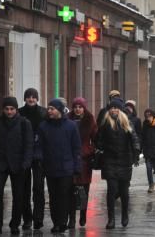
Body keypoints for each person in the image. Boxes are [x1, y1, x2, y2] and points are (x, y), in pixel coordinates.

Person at [0, 96, 34, 235]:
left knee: (18, 196)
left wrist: (26, 163)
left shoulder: (24, 123)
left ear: (16, 109)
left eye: (12, 109)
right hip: (0, 163)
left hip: (18, 165)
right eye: (7, 109)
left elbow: (29, 146)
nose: (9, 112)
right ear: (3, 109)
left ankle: (14, 224)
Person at [37, 99, 82, 234]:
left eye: (52, 108)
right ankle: (56, 222)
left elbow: (76, 148)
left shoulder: (71, 126)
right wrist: (39, 158)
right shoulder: (43, 126)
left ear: (60, 110)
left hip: (66, 167)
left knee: (64, 195)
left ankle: (63, 222)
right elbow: (39, 145)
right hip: (50, 167)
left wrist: (77, 166)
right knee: (53, 196)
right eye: (48, 108)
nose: (49, 111)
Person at [96, 99, 140, 229]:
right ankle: (111, 219)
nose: (113, 110)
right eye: (111, 108)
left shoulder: (127, 122)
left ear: (120, 110)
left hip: (125, 161)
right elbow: (99, 139)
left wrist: (136, 152)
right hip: (109, 161)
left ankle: (125, 215)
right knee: (111, 190)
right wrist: (100, 148)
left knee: (124, 191)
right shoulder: (105, 123)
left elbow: (134, 138)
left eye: (116, 108)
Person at [18, 88, 47, 230]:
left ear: (37, 98)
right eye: (28, 97)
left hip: (39, 156)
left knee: (38, 188)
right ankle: (27, 219)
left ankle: (38, 219)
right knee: (24, 189)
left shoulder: (43, 112)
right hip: (23, 155)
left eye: (33, 97)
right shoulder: (19, 113)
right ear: (25, 98)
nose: (31, 99)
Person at [67, 97, 97, 229]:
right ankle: (71, 219)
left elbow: (96, 138)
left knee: (84, 190)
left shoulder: (90, 120)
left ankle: (83, 215)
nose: (77, 109)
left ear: (84, 108)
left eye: (80, 107)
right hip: (70, 159)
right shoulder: (67, 119)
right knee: (71, 190)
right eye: (75, 107)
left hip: (85, 160)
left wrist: (90, 149)